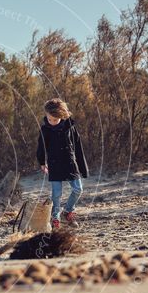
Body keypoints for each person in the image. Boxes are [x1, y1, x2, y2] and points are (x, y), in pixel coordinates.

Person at [36, 98, 88, 230]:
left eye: (55, 119)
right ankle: (55, 219)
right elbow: (41, 147)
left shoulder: (70, 127)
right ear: (46, 115)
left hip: (70, 163)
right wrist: (42, 162)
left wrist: (82, 166)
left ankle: (68, 211)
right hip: (54, 165)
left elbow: (78, 146)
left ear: (61, 116)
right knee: (56, 194)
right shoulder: (45, 130)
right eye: (49, 119)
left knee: (78, 189)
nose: (52, 122)